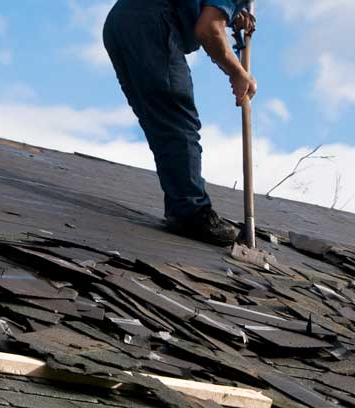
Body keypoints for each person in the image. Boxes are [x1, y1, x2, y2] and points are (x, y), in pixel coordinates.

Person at [103, 0, 257, 245]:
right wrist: (237, 72)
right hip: (152, 24)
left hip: (120, 23)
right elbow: (208, 29)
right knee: (177, 120)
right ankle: (190, 211)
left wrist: (232, 14)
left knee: (162, 122)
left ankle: (182, 207)